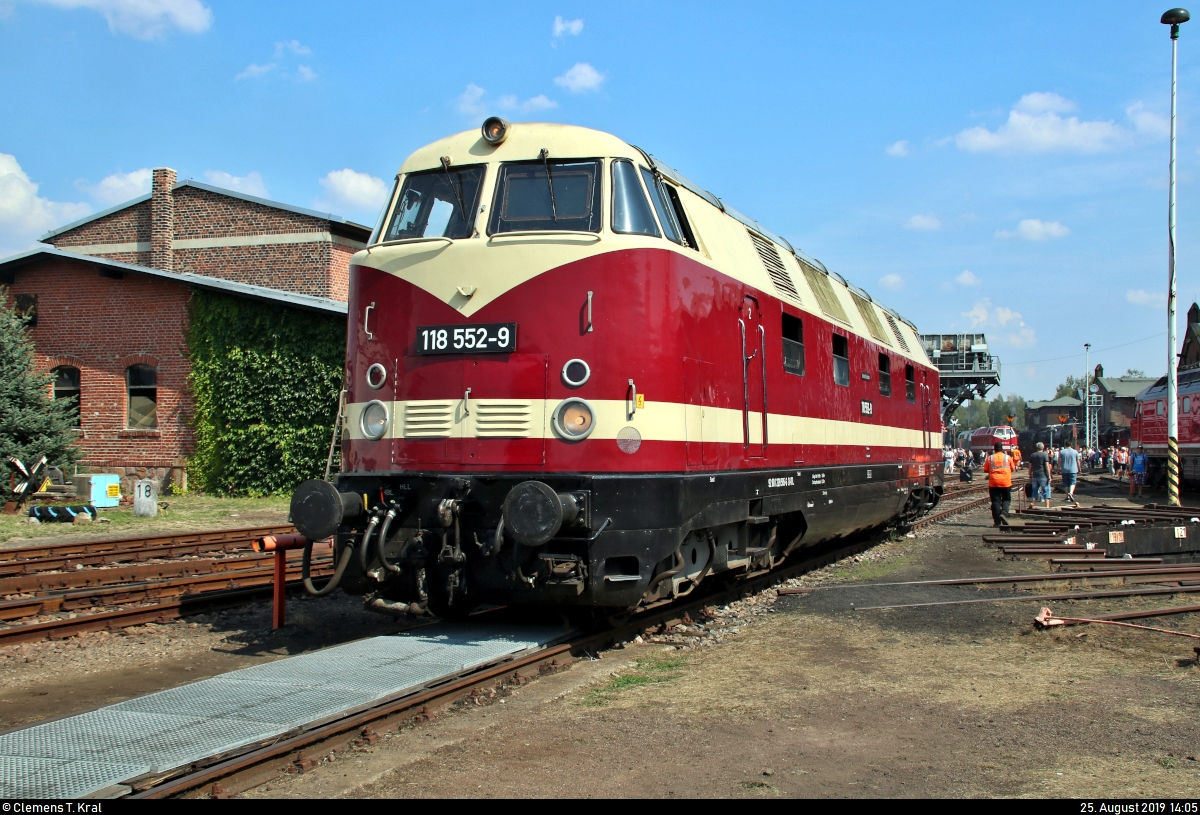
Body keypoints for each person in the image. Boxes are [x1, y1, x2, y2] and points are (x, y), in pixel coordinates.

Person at [983, 441, 1014, 526]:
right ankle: (1003, 513)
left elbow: (985, 469)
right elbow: (1013, 468)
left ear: (994, 449)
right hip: (1006, 482)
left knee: (995, 502)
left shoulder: (990, 458)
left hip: (994, 483)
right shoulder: (1008, 457)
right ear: (1002, 449)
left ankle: (997, 523)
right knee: (1007, 499)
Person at [1028, 441, 1051, 508]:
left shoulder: (1032, 455)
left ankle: (1033, 504)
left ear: (1036, 447)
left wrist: (1029, 475)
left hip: (1035, 475)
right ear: (1043, 447)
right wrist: (1049, 476)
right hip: (1043, 475)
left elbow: (1030, 467)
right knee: (1046, 490)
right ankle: (1047, 506)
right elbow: (1047, 466)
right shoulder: (1044, 455)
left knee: (1034, 490)